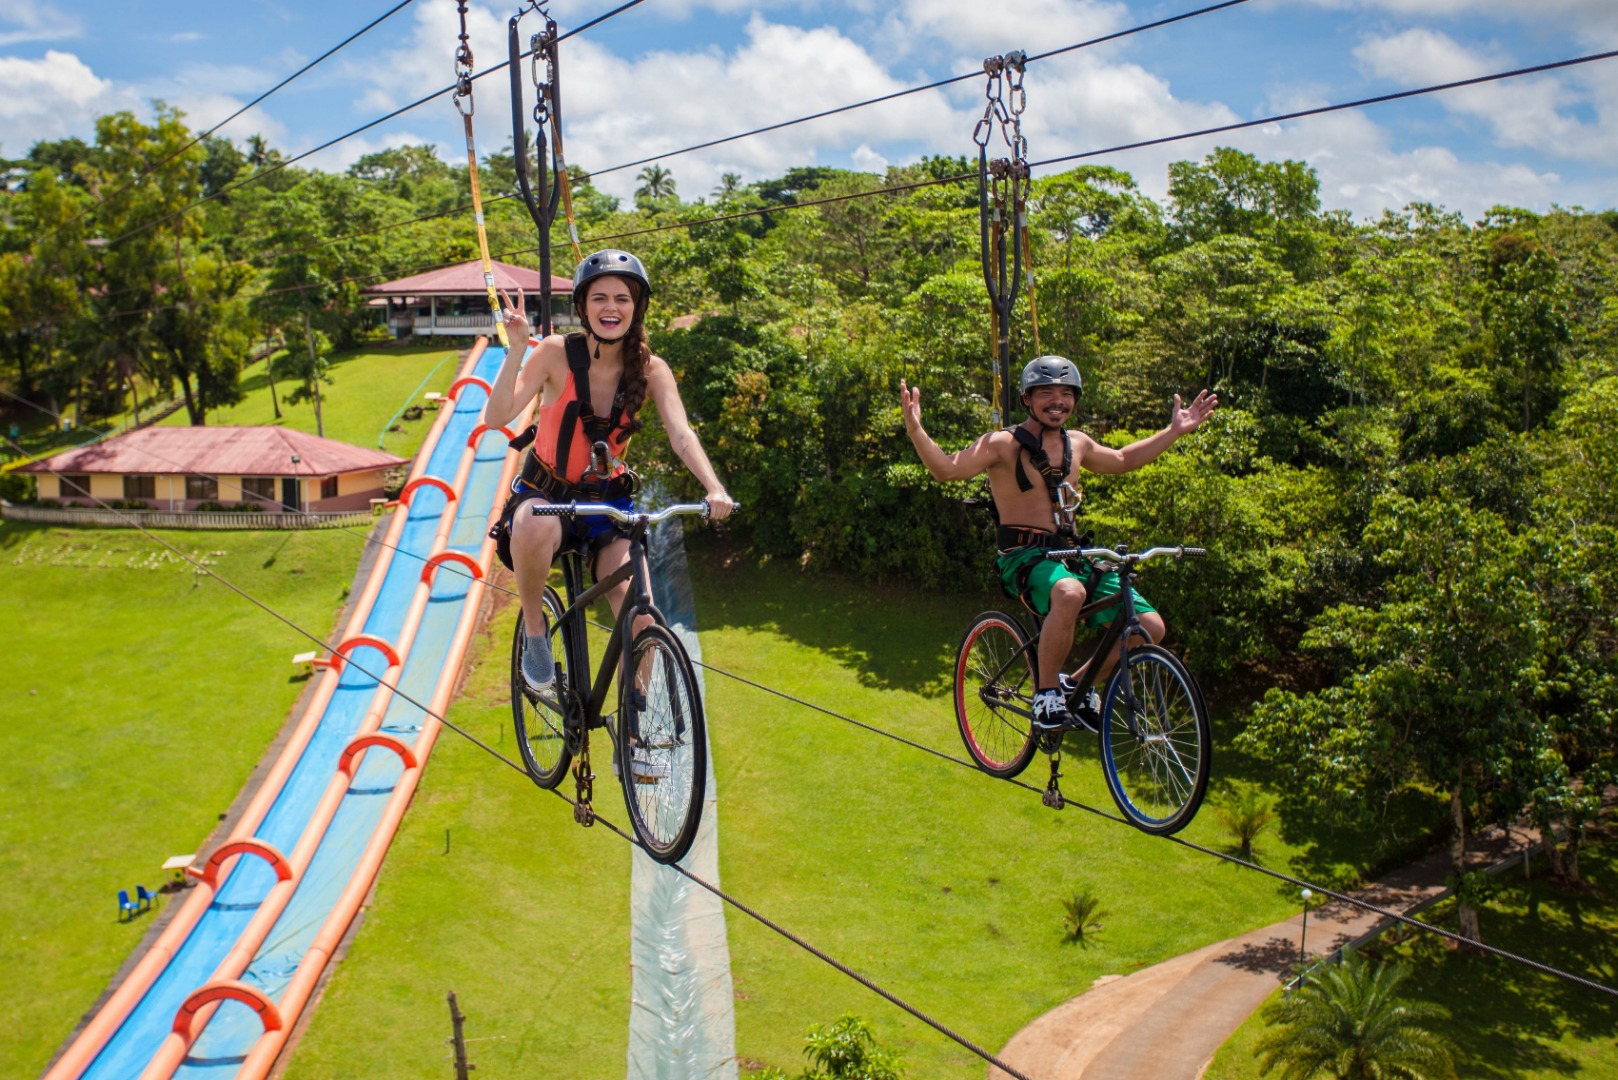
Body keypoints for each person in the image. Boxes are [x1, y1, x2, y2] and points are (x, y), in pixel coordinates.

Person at [900, 356, 1216, 730]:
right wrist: (916, 429)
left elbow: (1122, 459)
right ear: (1027, 399)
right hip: (1025, 559)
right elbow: (947, 469)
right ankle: (1045, 694)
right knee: (1068, 593)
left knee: (1150, 627)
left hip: (1071, 556)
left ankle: (1075, 684)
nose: (1057, 401)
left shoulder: (1077, 444)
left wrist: (1173, 431)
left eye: (1066, 393)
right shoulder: (1002, 444)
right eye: (1046, 392)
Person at [484, 249, 734, 696]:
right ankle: (537, 635)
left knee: (643, 616)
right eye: (599, 298)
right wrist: (517, 350)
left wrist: (713, 487)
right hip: (548, 495)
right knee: (530, 523)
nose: (610, 308)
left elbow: (681, 434)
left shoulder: (652, 370)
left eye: (622, 298)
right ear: (583, 307)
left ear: (636, 307)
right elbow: (496, 415)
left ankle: (636, 736)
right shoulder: (555, 353)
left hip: (606, 503)